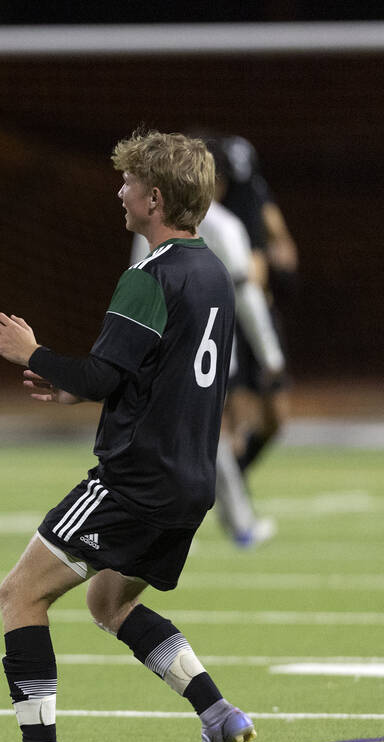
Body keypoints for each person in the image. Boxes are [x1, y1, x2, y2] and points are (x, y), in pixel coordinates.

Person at [0, 130, 252, 742]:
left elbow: (101, 375)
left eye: (128, 183)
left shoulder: (148, 276)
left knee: (19, 593)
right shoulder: (213, 272)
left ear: (154, 199)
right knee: (108, 602)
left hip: (135, 481)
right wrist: (73, 384)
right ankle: (217, 713)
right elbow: (146, 373)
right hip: (190, 480)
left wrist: (32, 352)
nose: (119, 191)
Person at [132, 138, 283, 548]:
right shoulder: (222, 226)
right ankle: (225, 524)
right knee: (197, 439)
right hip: (199, 354)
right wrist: (269, 354)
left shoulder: (163, 220)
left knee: (196, 439)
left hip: (192, 353)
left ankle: (221, 524)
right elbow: (245, 295)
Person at [216, 135, 296, 480]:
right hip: (223, 322)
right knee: (232, 421)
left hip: (258, 317)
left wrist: (275, 256)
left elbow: (281, 252)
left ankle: (232, 481)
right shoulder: (203, 214)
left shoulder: (249, 197)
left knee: (277, 417)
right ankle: (225, 499)